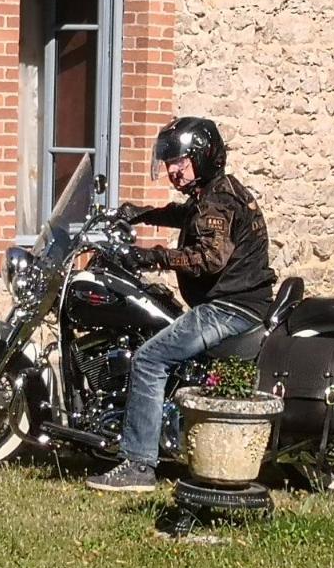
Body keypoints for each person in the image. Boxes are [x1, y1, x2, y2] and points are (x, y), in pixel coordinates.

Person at [85, 116, 276, 493]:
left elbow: (209, 258)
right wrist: (137, 213)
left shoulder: (218, 201)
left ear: (203, 157)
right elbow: (184, 215)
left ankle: (138, 465)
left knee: (150, 359)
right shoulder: (212, 194)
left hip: (230, 308)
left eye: (180, 161)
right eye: (169, 162)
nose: (172, 170)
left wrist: (150, 257)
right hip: (234, 304)